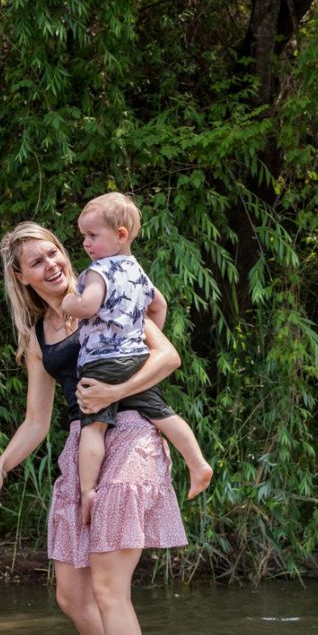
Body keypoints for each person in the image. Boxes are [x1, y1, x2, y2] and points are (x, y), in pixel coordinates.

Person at [0, 221, 189, 635]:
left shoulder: (107, 296)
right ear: (22, 277)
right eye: (36, 262)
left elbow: (167, 357)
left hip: (130, 429)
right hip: (81, 441)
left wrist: (115, 391)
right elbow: (35, 421)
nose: (51, 265)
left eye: (53, 254)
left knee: (108, 586)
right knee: (72, 594)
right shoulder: (37, 336)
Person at [57, 191, 213, 526]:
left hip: (101, 360)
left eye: (92, 235)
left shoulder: (98, 271)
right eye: (84, 236)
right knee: (162, 414)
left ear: (121, 234)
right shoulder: (137, 272)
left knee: (93, 427)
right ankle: (197, 463)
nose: (85, 243)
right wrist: (138, 341)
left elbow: (88, 306)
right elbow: (160, 306)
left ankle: (88, 492)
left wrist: (69, 303)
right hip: (134, 358)